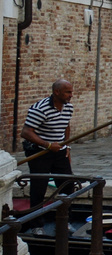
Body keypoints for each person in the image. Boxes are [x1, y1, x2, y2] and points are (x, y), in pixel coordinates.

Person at [22, 79, 75, 209]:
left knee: (67, 185)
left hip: (59, 152)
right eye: (68, 92)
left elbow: (66, 126)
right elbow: (26, 132)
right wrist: (48, 145)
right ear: (57, 92)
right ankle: (36, 226)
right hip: (39, 152)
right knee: (39, 189)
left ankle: (64, 221)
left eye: (71, 92)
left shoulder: (68, 107)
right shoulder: (40, 109)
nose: (71, 95)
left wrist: (66, 145)